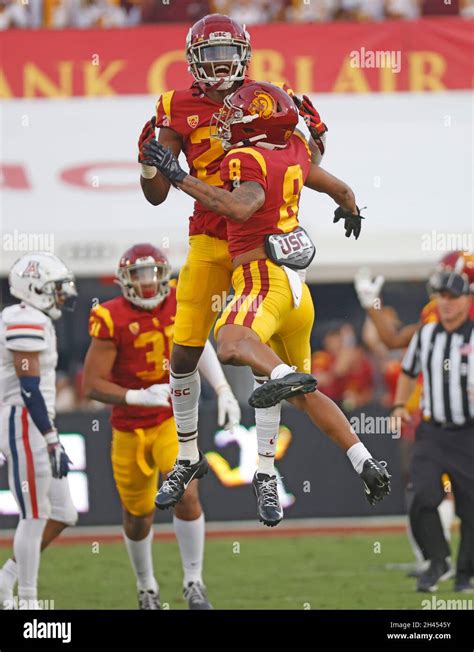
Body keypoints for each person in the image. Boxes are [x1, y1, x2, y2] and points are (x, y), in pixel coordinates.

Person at [142, 81, 391, 518]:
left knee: (237, 346)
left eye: (237, 113)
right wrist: (348, 202)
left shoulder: (245, 155)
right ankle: (363, 460)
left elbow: (239, 206)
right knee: (297, 388)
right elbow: (334, 183)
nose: (227, 116)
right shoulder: (290, 147)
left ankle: (266, 462)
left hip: (260, 275)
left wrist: (179, 175)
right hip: (293, 283)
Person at [138, 12, 328, 525]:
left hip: (261, 244)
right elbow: (156, 194)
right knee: (183, 352)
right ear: (194, 60)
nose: (220, 65)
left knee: (260, 356)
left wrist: (313, 132)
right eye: (211, 55)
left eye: (228, 54)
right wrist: (150, 162)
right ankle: (186, 456)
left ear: (244, 55)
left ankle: (266, 470)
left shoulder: (270, 98)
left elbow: (305, 162)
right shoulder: (177, 107)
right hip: (208, 239)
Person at [82, 243, 240, 609]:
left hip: (172, 420)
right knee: (137, 516)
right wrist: (135, 396)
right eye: (139, 274)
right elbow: (91, 385)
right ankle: (146, 586)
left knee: (187, 495)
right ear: (126, 279)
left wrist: (223, 388)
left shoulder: (179, 304)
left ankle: (193, 582)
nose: (148, 282)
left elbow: (198, 345)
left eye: (153, 272)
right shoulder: (110, 316)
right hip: (128, 428)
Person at [0, 252, 78, 609]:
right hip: (22, 420)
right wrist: (50, 438)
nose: (62, 294)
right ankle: (28, 602)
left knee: (63, 512)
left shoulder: (34, 319)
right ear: (34, 288)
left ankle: (6, 580)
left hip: (35, 421)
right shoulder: (22, 319)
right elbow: (29, 387)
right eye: (55, 288)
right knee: (34, 514)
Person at [392, 269, 474, 593]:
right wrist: (399, 406)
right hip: (432, 431)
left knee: (471, 509)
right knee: (421, 496)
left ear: (467, 300)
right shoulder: (425, 335)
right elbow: (408, 371)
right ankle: (438, 560)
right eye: (441, 297)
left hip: (469, 434)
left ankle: (465, 574)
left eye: (453, 297)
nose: (447, 303)